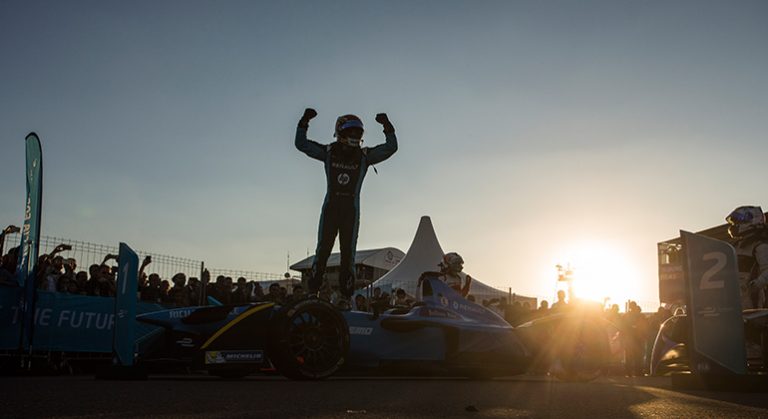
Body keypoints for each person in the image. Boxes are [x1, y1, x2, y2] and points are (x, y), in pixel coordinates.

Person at [295, 108, 398, 307]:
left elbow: (391, 147)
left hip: (350, 211)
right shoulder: (329, 152)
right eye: (351, 132)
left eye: (358, 133)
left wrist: (387, 126)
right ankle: (313, 292)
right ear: (341, 133)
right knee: (322, 251)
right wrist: (304, 121)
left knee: (348, 254)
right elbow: (301, 144)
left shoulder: (364, 156)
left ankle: (345, 297)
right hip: (331, 209)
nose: (355, 136)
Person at [726, 205, 768, 309]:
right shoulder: (734, 247)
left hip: (751, 303)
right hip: (732, 299)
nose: (735, 225)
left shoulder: (760, 246)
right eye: (734, 222)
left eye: (739, 221)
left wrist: (754, 286)